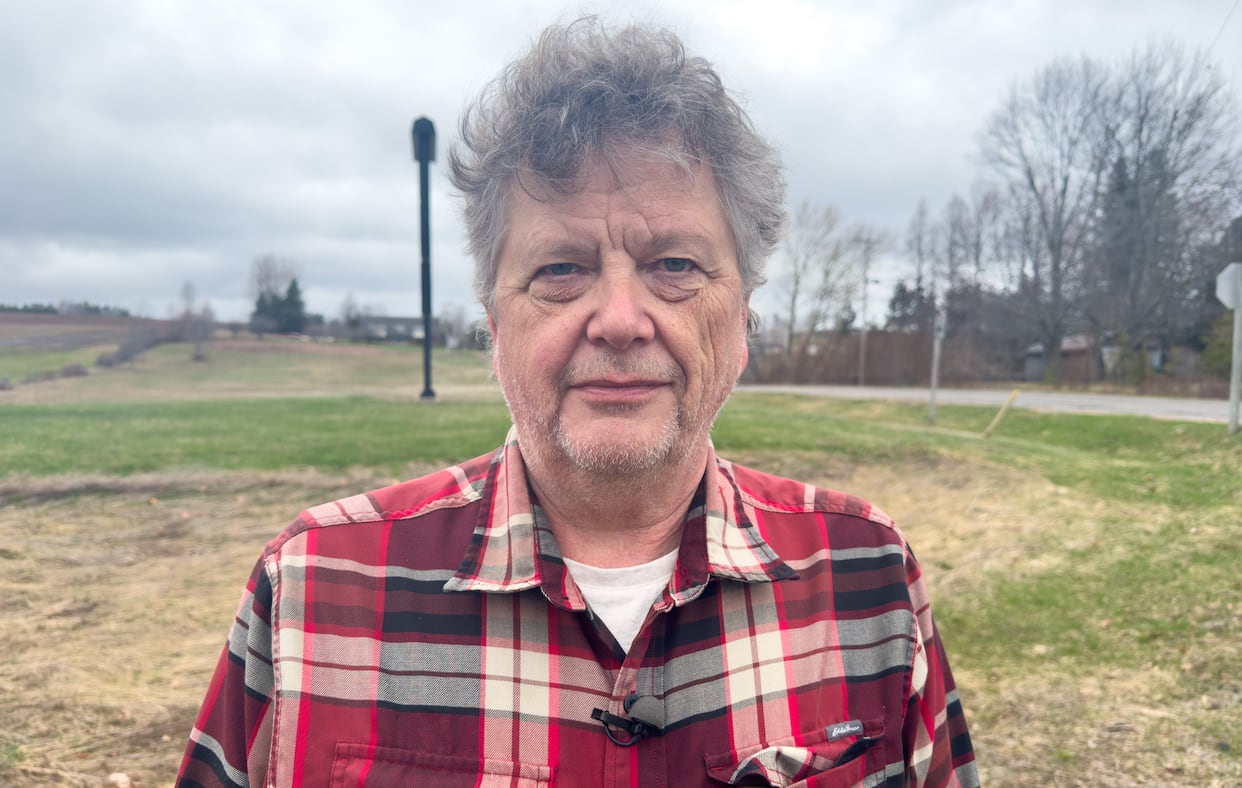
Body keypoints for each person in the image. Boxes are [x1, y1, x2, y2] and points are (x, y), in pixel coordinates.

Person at [176, 17, 978, 788]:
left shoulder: (865, 580)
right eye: (561, 269)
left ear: (741, 323)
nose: (622, 321)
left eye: (675, 264)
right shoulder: (314, 591)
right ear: (496, 327)